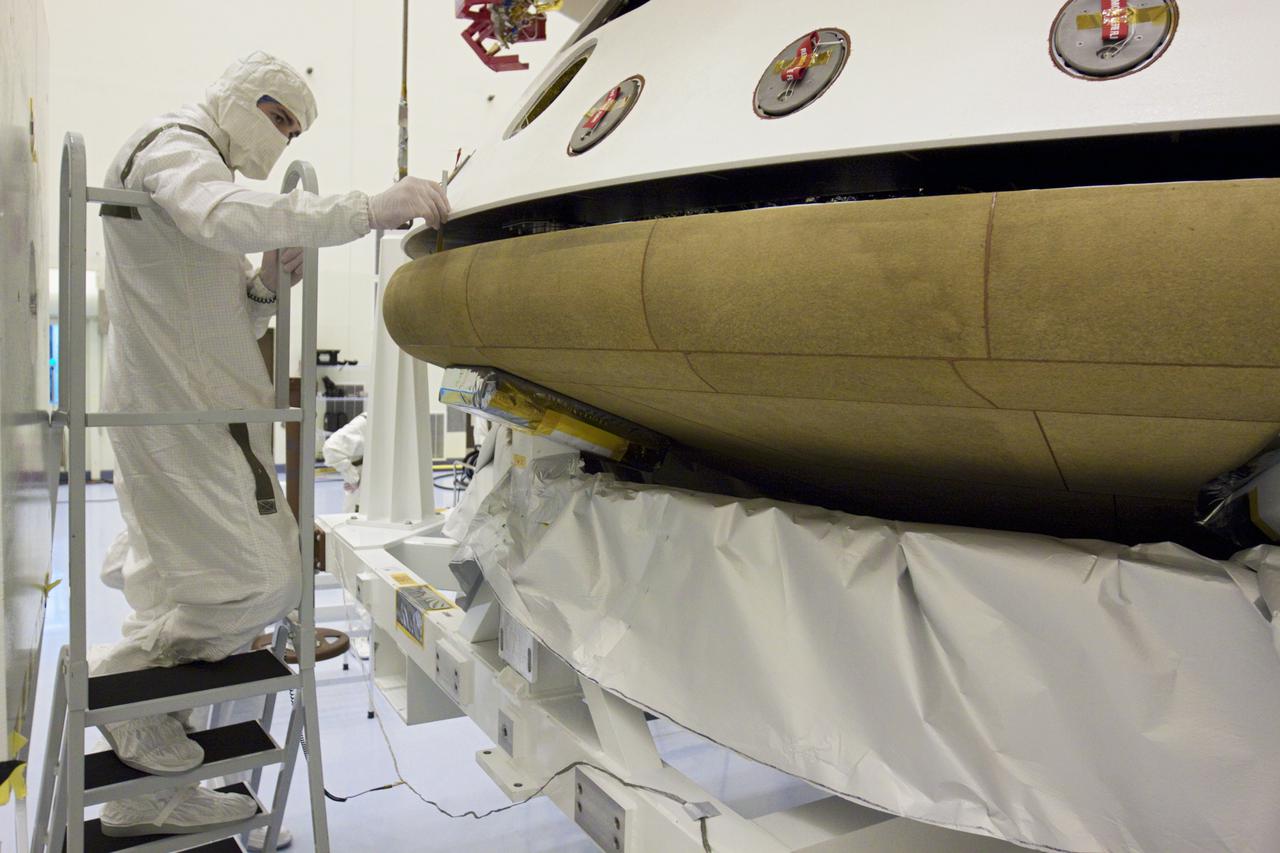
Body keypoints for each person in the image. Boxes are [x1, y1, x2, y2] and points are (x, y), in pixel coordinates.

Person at [93, 51, 449, 838]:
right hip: (175, 418)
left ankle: (145, 797)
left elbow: (200, 313)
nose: (282, 137)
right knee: (256, 581)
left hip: (192, 409)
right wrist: (364, 209)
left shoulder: (194, 163)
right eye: (277, 116)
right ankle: (119, 687)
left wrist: (261, 292)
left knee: (188, 585)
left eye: (294, 128)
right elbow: (222, 213)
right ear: (233, 97)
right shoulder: (177, 146)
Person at [322, 411, 368, 512]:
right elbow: (331, 449)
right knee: (354, 508)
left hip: (365, 466)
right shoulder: (365, 422)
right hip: (359, 470)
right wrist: (352, 479)